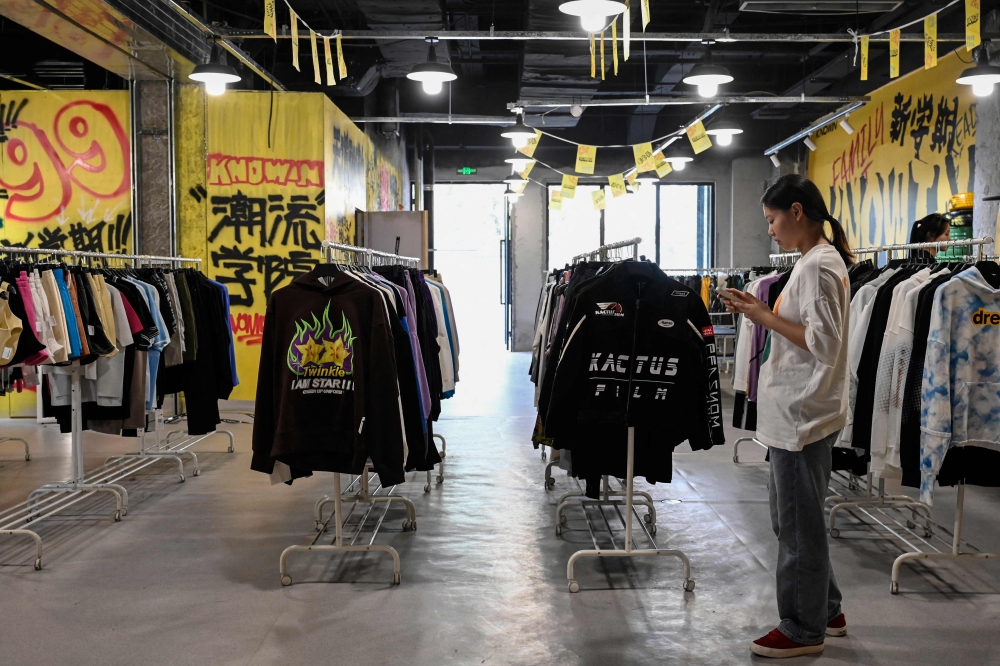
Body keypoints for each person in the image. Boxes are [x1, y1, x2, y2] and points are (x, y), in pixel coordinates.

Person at [721, 174, 852, 658]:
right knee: (795, 521)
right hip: (794, 412)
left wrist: (762, 316)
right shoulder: (813, 262)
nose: (770, 230)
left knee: (797, 525)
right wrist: (760, 309)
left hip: (802, 414)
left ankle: (802, 626)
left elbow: (825, 342)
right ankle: (827, 607)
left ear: (797, 212)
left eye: (773, 220)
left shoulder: (819, 265)